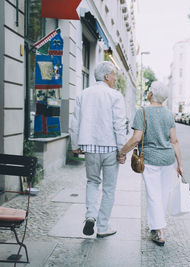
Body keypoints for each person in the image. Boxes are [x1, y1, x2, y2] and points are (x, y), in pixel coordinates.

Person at [117, 81, 183, 247]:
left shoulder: (143, 112)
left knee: (153, 195)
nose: (148, 92)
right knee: (161, 195)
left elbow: (136, 138)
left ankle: (159, 231)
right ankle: (156, 227)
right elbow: (174, 141)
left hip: (151, 160)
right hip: (168, 160)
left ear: (152, 94)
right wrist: (180, 165)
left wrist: (122, 152)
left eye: (149, 90)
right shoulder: (169, 114)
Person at [70, 61, 127, 238]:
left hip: (91, 148)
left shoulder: (83, 95)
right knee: (109, 188)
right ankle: (102, 227)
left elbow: (75, 123)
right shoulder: (115, 96)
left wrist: (75, 145)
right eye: (114, 75)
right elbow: (119, 125)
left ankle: (90, 216)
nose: (116, 79)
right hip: (110, 148)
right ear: (106, 76)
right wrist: (122, 150)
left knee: (92, 182)